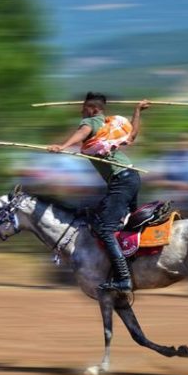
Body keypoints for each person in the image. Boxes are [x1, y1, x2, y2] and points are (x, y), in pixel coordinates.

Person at [48, 92, 150, 293]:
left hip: (121, 180)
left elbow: (81, 133)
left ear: (93, 109)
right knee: (130, 225)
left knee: (106, 230)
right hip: (131, 176)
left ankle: (123, 279)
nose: (81, 111)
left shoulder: (91, 122)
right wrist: (137, 111)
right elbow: (133, 136)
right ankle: (135, 266)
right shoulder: (109, 126)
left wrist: (62, 146)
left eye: (84, 108)